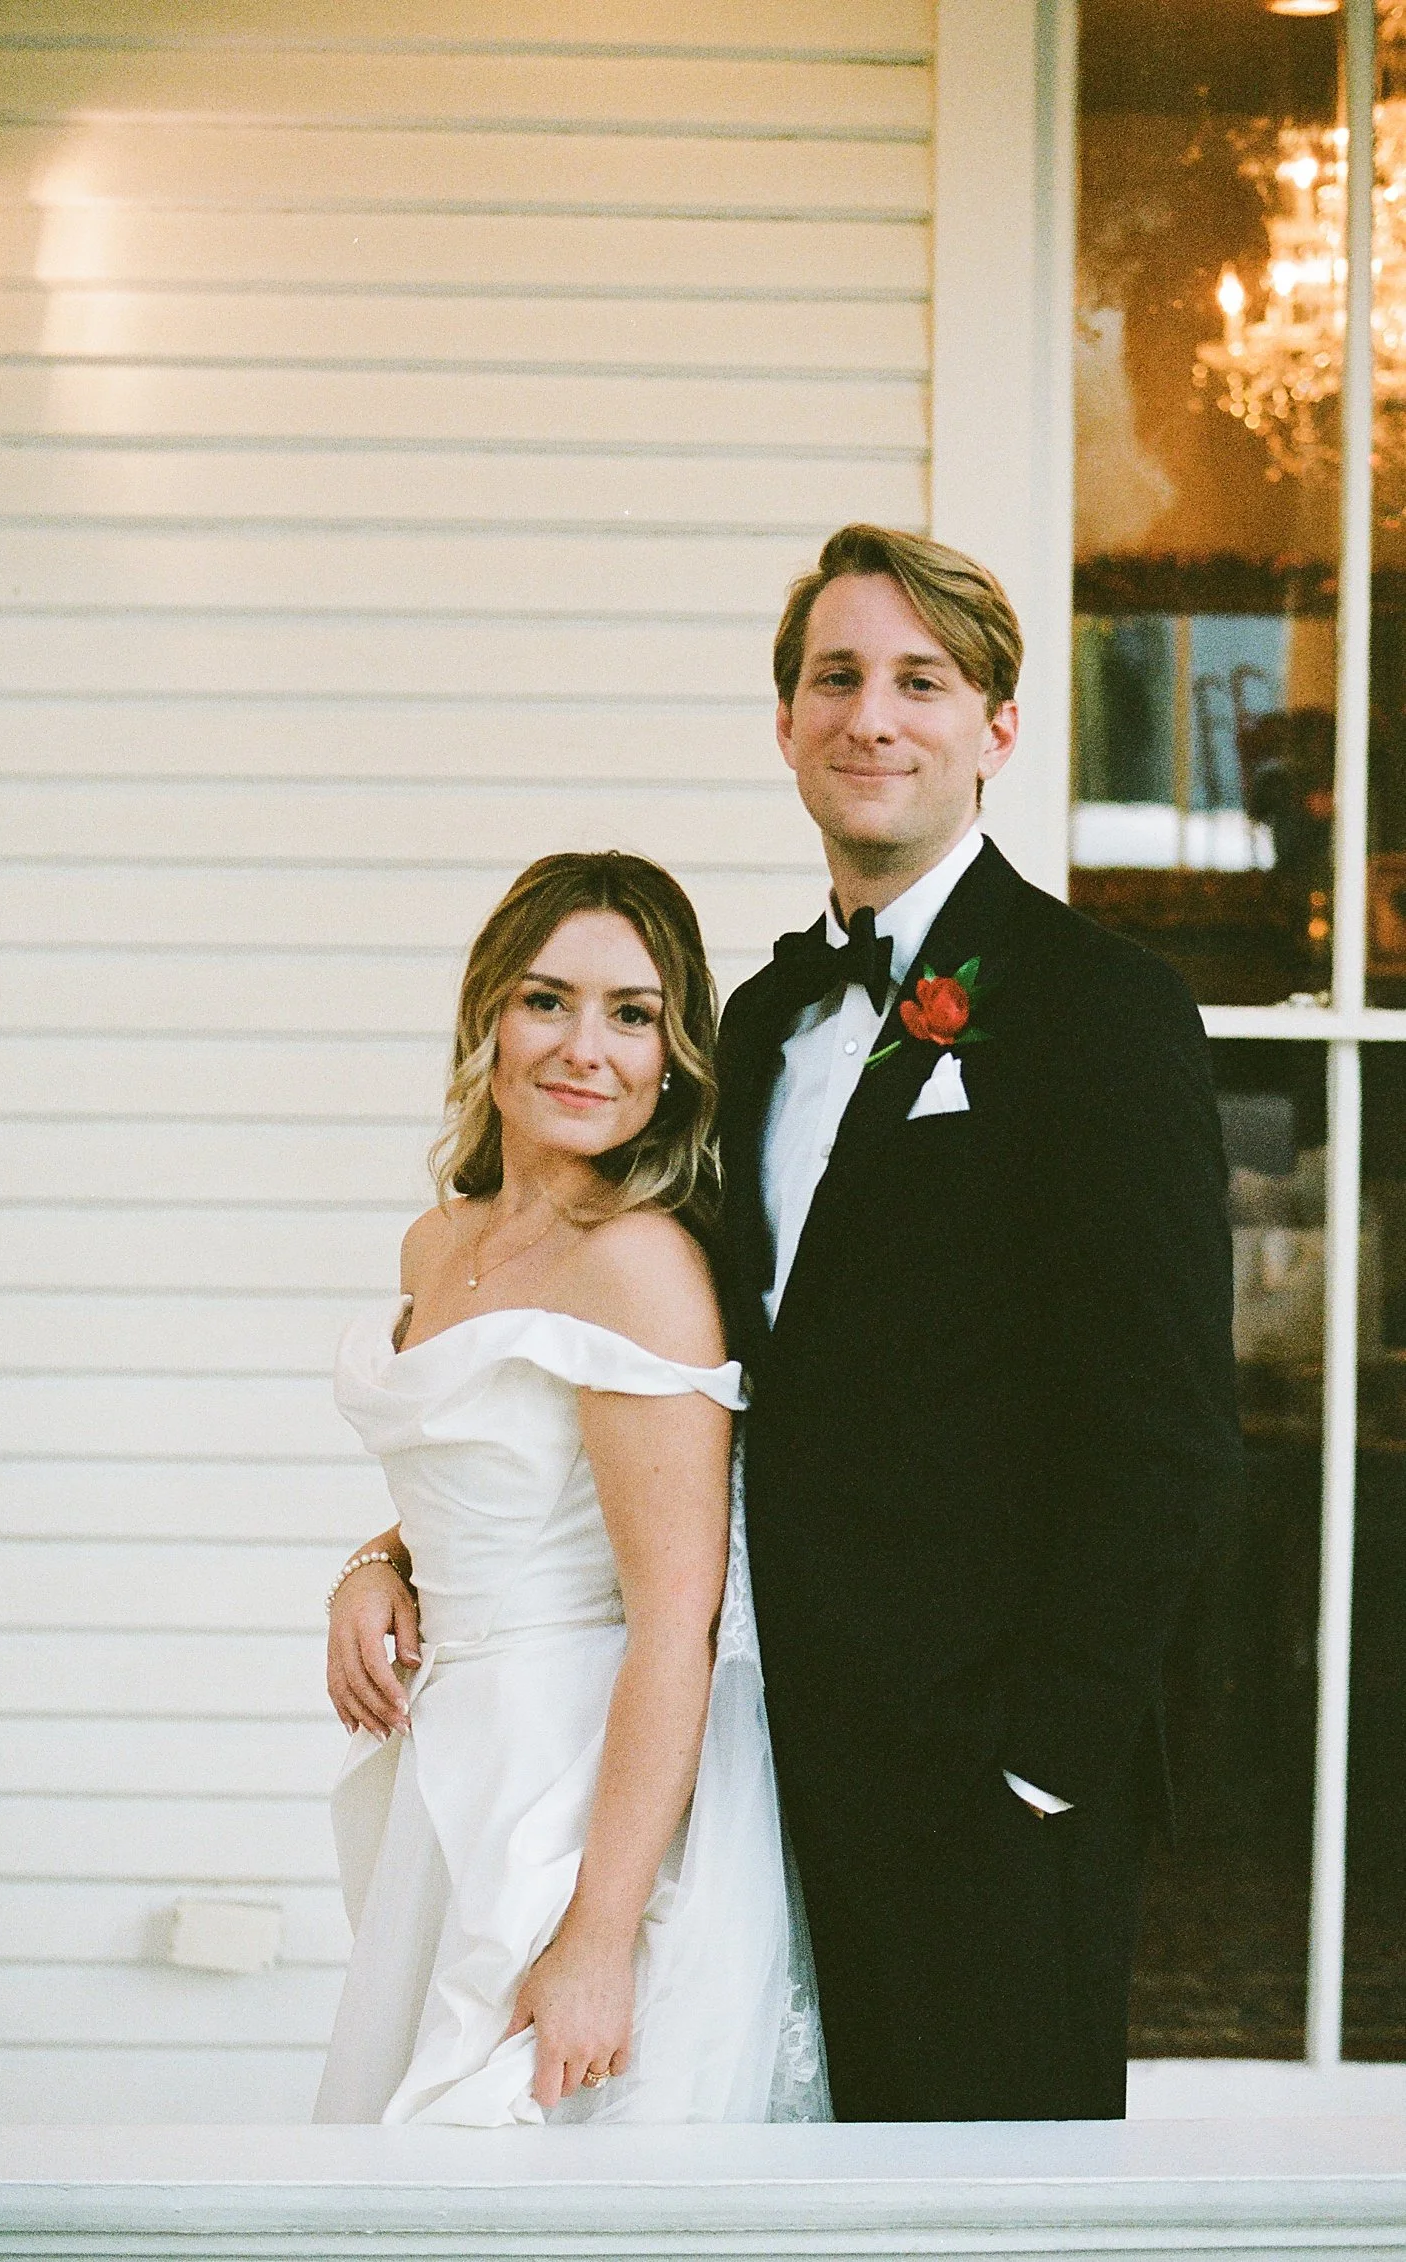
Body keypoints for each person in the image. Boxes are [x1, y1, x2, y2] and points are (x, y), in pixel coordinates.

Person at [718, 524, 1243, 2122]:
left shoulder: (1101, 1007)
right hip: (758, 1775)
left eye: (919, 680)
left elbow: (1166, 1433)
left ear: (997, 727)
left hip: (988, 1803)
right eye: (835, 677)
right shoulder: (755, 1024)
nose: (871, 715)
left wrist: (1035, 1763)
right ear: (789, 722)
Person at [314, 851, 826, 2127]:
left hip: (580, 1783)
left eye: (633, 1014)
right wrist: (375, 1564)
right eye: (548, 1001)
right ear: (489, 1014)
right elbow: (498, 1475)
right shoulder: (441, 1242)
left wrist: (599, 1936)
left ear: (673, 1055)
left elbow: (677, 1616)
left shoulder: (639, 1263)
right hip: (457, 1767)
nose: (585, 1047)